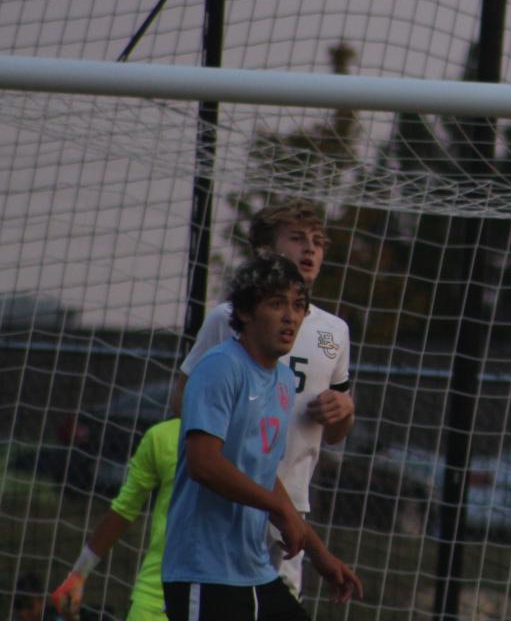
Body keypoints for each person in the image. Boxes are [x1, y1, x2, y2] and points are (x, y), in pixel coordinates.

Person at [161, 254, 360, 621]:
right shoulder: (221, 367)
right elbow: (204, 463)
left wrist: (320, 554)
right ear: (246, 312)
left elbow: (264, 473)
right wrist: (277, 507)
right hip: (204, 573)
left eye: (298, 306)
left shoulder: (282, 382)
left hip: (253, 572)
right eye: (276, 303)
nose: (291, 316)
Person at [49, 415, 181, 621]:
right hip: (157, 597)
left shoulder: (244, 438)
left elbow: (125, 508)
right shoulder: (161, 437)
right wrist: (77, 575)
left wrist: (78, 574)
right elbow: (124, 508)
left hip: (216, 592)